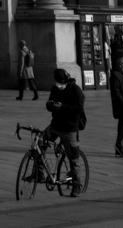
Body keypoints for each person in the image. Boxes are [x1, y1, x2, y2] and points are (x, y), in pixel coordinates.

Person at [44, 67, 86, 196]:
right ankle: (39, 171)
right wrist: (50, 105)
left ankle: (77, 185)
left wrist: (62, 107)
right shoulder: (54, 89)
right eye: (57, 82)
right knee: (40, 143)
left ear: (66, 81)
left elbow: (79, 108)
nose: (59, 85)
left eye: (61, 83)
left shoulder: (75, 89)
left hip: (70, 128)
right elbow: (49, 104)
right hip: (55, 125)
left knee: (73, 157)